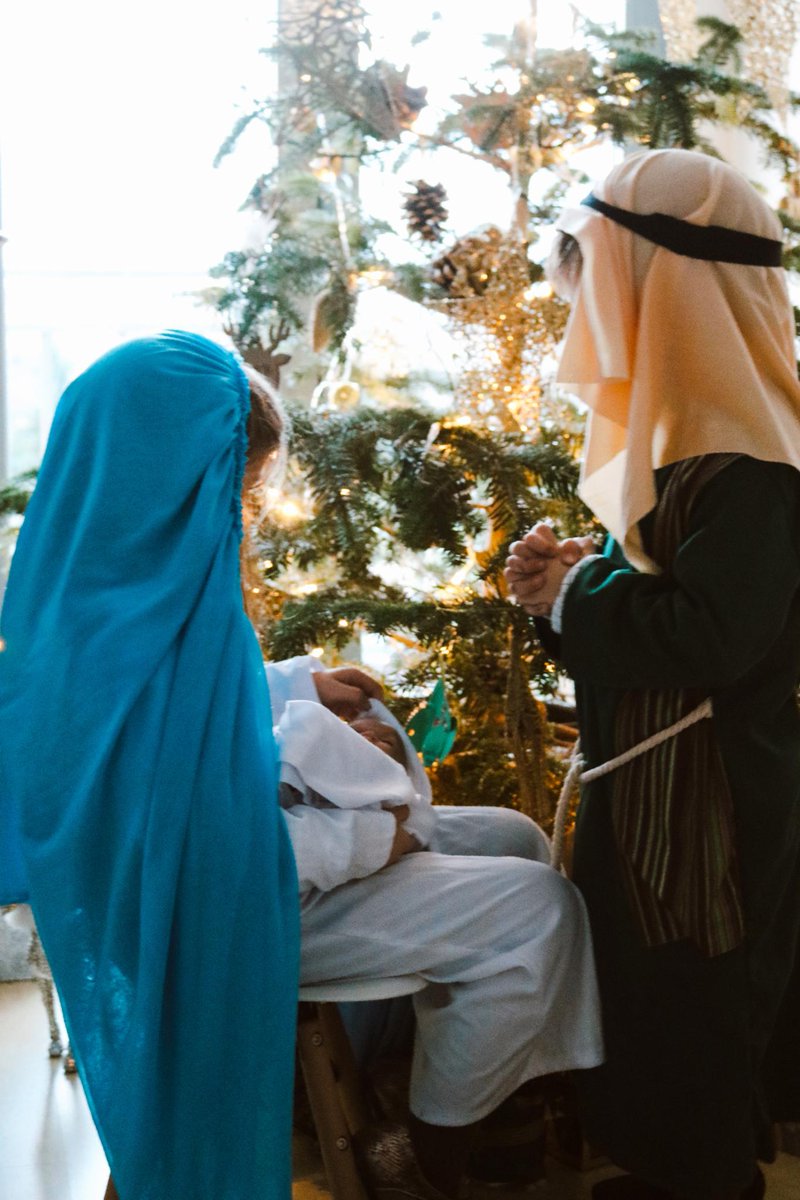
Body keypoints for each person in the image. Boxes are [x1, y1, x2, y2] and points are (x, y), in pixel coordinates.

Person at [505, 148, 800, 1200]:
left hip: (710, 804)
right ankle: (676, 1167)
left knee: (700, 991)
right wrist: (562, 601)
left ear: (662, 285)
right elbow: (650, 621)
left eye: (597, 281)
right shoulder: (692, 445)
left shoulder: (749, 465)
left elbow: (713, 636)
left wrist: (575, 593)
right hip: (667, 793)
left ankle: (708, 1179)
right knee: (657, 983)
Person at [0, 332, 301, 1200]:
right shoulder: (178, 625)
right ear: (178, 487)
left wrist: (296, 688)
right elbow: (204, 833)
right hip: (194, 904)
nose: (237, 517)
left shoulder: (66, 612)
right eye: (233, 492)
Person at [264, 653, 604, 1200]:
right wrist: (374, 837)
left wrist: (298, 689)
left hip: (280, 828)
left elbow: (216, 697)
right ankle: (423, 1157)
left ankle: (480, 1105)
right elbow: (203, 831)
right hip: (246, 904)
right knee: (537, 906)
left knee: (513, 836)